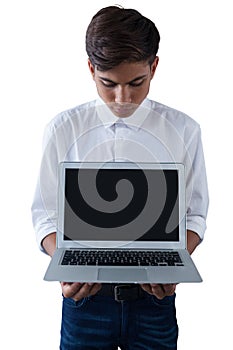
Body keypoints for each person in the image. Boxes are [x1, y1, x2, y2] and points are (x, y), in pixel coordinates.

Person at [31, 5, 209, 350]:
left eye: (136, 82)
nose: (123, 98)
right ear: (91, 69)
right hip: (85, 301)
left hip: (153, 301)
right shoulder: (63, 129)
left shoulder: (184, 130)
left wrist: (171, 268)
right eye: (108, 84)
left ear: (154, 67)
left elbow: (196, 215)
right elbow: (44, 216)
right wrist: (67, 267)